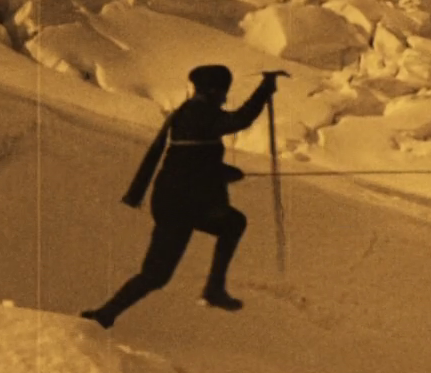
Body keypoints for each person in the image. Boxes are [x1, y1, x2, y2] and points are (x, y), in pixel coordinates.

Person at [81, 66, 285, 329]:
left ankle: (108, 314)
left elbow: (190, 160)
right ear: (214, 91)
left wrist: (222, 172)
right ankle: (211, 289)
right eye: (223, 92)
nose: (225, 97)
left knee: (162, 271)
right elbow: (239, 121)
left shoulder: (191, 113)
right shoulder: (198, 113)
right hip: (182, 205)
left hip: (178, 202)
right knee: (162, 271)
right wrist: (264, 89)